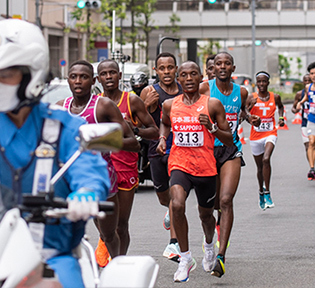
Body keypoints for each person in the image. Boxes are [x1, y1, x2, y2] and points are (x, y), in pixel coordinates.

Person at [0, 19, 110, 288]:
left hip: (50, 256)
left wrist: (85, 193)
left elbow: (89, 172)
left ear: (31, 74)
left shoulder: (64, 127)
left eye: (5, 74)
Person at [56, 60, 141, 266]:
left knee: (109, 233)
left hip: (102, 178)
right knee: (67, 232)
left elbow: (133, 144)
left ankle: (119, 269)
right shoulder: (60, 108)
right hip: (70, 179)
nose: (78, 81)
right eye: (73, 77)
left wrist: (99, 141)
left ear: (93, 81)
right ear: (68, 80)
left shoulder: (103, 106)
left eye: (83, 77)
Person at [157, 61, 234, 282]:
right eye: (184, 75)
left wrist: (211, 128)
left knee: (206, 215)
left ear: (201, 77)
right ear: (178, 79)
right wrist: (163, 138)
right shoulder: (170, 105)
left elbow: (229, 140)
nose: (188, 78)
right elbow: (165, 123)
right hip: (179, 164)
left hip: (206, 168)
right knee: (177, 204)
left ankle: (209, 244)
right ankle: (185, 257)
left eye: (193, 74)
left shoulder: (212, 104)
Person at [199, 51, 261, 278]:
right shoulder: (205, 89)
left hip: (231, 149)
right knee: (210, 208)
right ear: (213, 68)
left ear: (233, 68)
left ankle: (221, 256)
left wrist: (249, 116)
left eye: (227, 64)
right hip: (207, 150)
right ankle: (209, 242)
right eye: (218, 64)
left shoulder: (241, 91)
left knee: (226, 200)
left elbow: (241, 111)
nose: (222, 67)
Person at [95, 59, 159, 261]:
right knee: (102, 223)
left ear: (119, 76)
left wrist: (135, 129)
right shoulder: (95, 103)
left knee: (121, 225)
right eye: (104, 74)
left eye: (112, 73)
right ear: (98, 78)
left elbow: (154, 132)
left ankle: (119, 264)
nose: (108, 77)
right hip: (101, 167)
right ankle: (107, 248)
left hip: (125, 167)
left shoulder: (131, 101)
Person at [140, 52, 182, 261]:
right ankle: (168, 210)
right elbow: (137, 124)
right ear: (155, 70)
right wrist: (146, 105)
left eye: (170, 67)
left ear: (176, 69)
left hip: (180, 150)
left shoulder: (184, 91)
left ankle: (173, 243)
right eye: (162, 68)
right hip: (156, 150)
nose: (167, 72)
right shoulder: (149, 91)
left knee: (176, 197)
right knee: (164, 197)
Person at [246, 71, 284, 210]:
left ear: (268, 82)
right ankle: (260, 191)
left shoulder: (275, 96)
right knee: (260, 167)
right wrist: (250, 107)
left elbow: (280, 107)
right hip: (255, 136)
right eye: (259, 82)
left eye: (264, 81)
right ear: (256, 83)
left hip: (270, 133)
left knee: (266, 159)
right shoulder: (251, 97)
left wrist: (280, 118)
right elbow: (244, 113)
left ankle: (267, 192)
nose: (261, 84)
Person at [291, 74, 315, 159]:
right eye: (305, 80)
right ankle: (312, 168)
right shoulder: (299, 94)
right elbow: (293, 107)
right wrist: (296, 110)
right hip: (305, 123)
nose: (307, 82)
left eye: (309, 80)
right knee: (308, 146)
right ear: (303, 82)